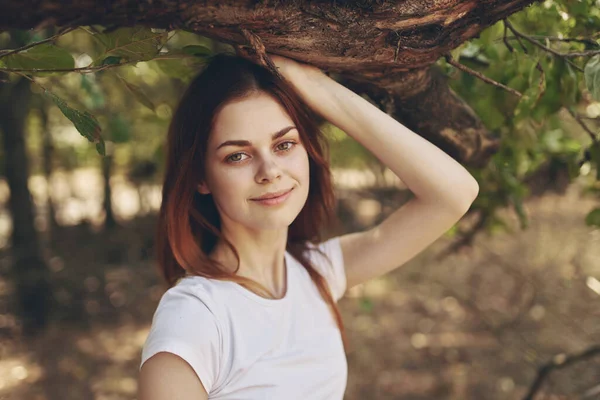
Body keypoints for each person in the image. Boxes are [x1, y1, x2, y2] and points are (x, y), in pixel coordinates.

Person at [138, 51, 480, 400]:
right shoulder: (195, 318)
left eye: (284, 144)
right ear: (200, 177)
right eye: (237, 155)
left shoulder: (316, 272)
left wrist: (317, 86)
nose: (269, 171)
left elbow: (454, 194)